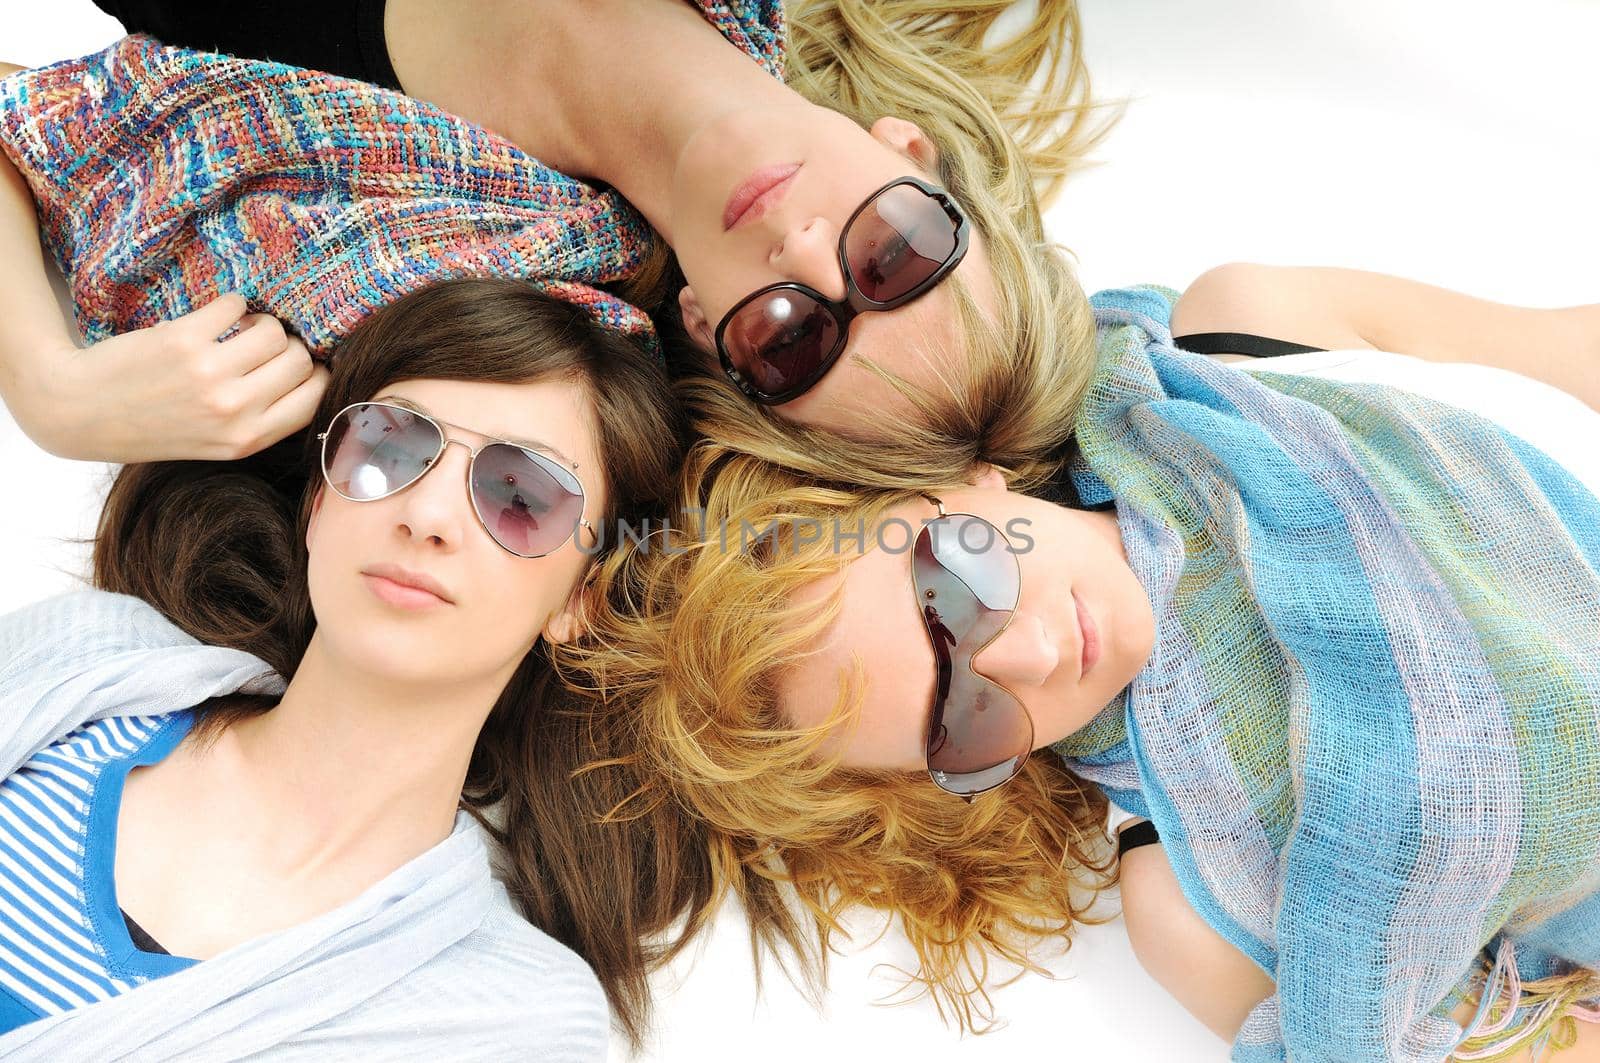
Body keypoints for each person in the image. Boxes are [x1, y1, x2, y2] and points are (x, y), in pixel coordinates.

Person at [560, 282, 1600, 1062]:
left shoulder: (1237, 333)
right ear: (963, 777)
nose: (1024, 653)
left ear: (951, 477)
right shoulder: (1196, 901)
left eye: (956, 583)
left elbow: (1570, 347)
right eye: (961, 713)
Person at [0, 277, 707, 1057]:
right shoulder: (83, 661)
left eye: (521, 494)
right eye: (390, 446)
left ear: (580, 599)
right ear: (316, 505)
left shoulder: (512, 1021)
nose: (428, 515)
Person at [0, 0, 1111, 488]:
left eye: (794, 337)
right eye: (894, 256)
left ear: (702, 330)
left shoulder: (397, 235)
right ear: (910, 152)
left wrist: (49, 392)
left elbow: (26, 127)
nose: (806, 248)